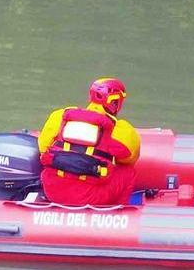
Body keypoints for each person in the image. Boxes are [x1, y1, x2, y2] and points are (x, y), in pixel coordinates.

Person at [37, 77, 141, 205]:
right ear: (115, 102)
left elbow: (43, 147)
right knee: (128, 172)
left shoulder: (60, 116)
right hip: (90, 197)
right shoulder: (120, 129)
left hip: (52, 192)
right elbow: (129, 159)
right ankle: (119, 214)